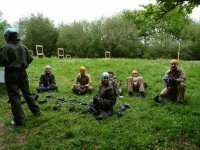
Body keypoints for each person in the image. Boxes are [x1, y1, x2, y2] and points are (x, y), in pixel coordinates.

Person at [0, 28, 41, 126]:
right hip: (23, 73)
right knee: (27, 92)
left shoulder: (5, 48)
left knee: (14, 96)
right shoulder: (24, 47)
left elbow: (1, 62)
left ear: (8, 37)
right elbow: (30, 58)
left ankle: (19, 120)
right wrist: (22, 63)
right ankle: (36, 110)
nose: (4, 38)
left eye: (5, 36)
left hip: (11, 74)